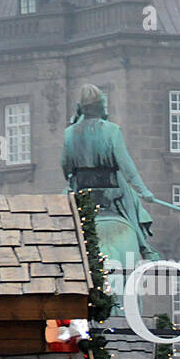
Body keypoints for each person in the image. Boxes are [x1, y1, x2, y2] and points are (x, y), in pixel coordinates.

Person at [61, 83, 159, 260]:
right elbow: (126, 166)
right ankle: (144, 247)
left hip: (80, 189)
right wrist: (143, 191)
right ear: (100, 106)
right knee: (133, 206)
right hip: (111, 189)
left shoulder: (69, 133)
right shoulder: (112, 130)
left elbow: (65, 166)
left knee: (59, 216)